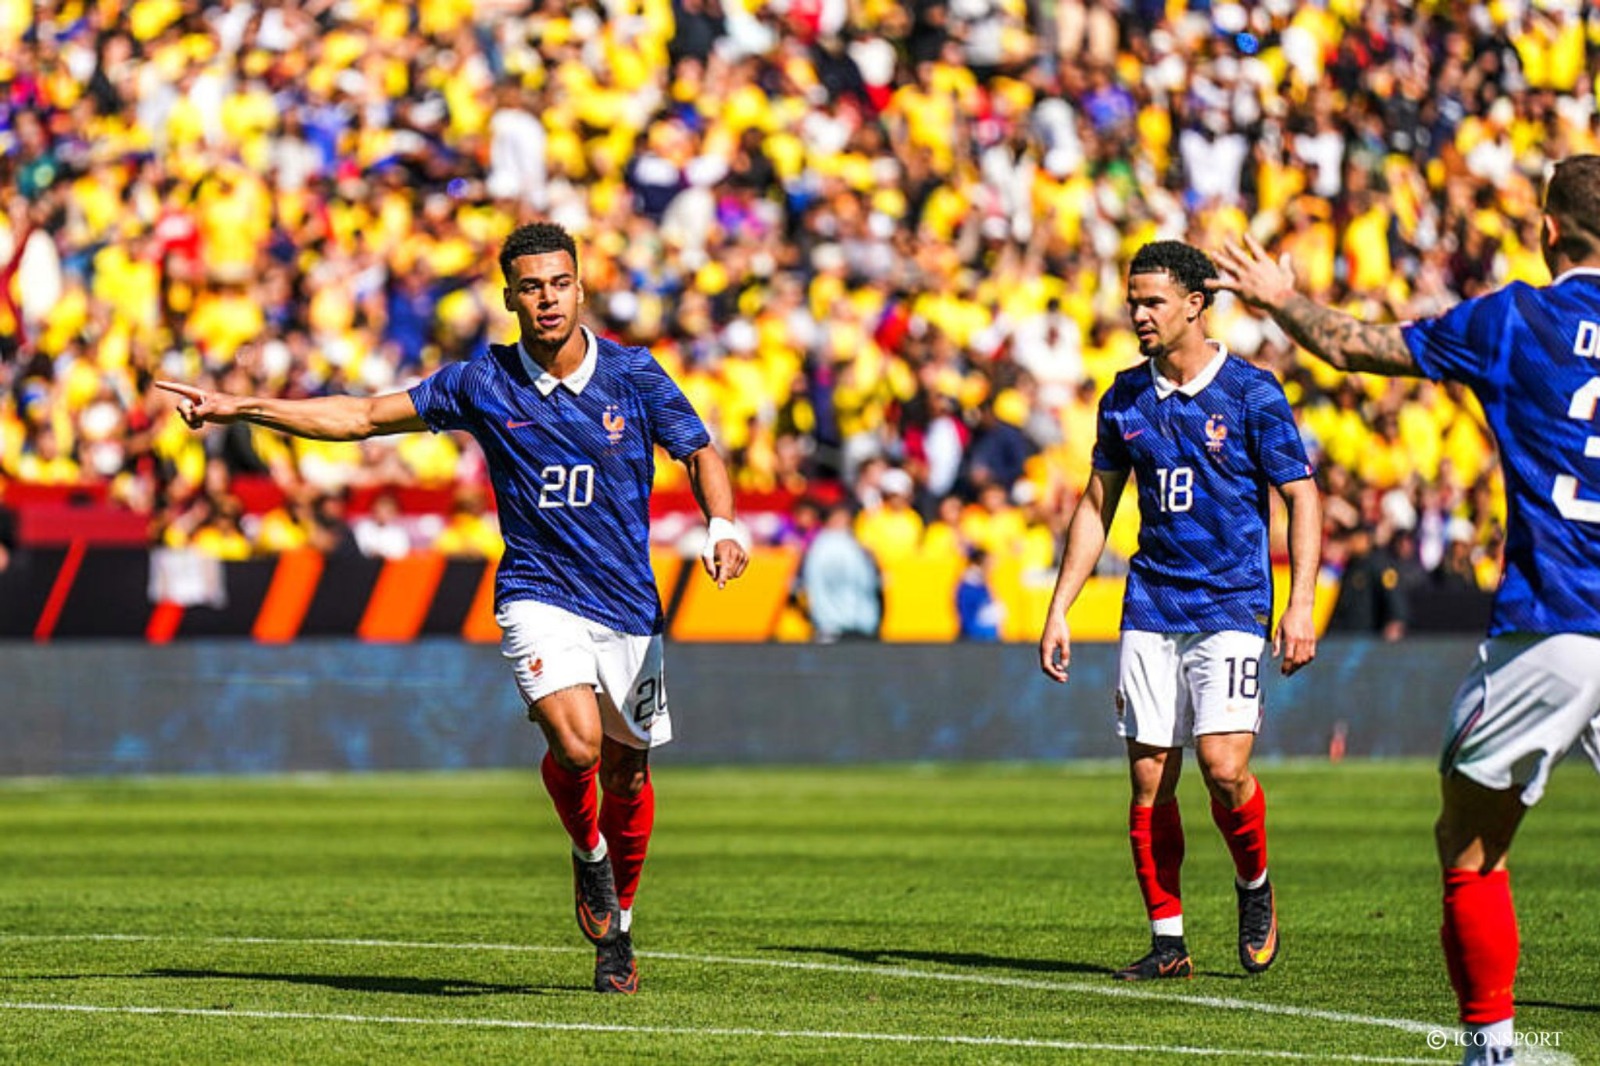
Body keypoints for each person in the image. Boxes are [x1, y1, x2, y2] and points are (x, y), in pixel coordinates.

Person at [158, 221, 749, 995]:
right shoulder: (483, 383)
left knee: (627, 774)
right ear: (509, 296)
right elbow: (362, 416)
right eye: (531, 286)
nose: (547, 299)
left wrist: (724, 523)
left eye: (560, 283)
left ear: (581, 288)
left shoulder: (634, 376)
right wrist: (241, 408)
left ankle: (620, 927)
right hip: (538, 591)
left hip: (629, 605)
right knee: (575, 748)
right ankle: (590, 858)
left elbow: (699, 448)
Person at [1211, 154, 1600, 1066]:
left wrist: (1276, 299)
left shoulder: (1515, 318)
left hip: (1559, 623)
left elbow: (1356, 347)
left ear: (1547, 232)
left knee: (1469, 846)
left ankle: (1493, 1049)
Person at [1038, 241, 1321, 982]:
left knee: (1224, 769)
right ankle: (1169, 943)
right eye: (1133, 301)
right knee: (1148, 780)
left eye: (1152, 301)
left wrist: (1302, 603)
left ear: (1195, 304)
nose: (1138, 314)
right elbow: (1098, 504)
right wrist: (1060, 606)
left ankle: (1255, 887)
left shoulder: (1254, 394)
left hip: (1232, 602)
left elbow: (1303, 497)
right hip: (1151, 605)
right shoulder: (1123, 397)